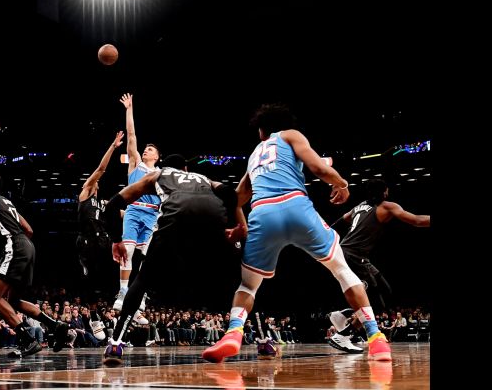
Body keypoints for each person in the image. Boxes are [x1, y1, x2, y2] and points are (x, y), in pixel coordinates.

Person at [202, 103, 392, 363]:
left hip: (262, 213)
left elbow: (237, 198)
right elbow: (319, 168)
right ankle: (375, 337)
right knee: (342, 270)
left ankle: (233, 333)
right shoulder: (290, 134)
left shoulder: (255, 153)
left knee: (247, 285)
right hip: (295, 206)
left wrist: (239, 226)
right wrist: (341, 184)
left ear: (261, 130)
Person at [100, 154, 246, 365]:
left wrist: (116, 240)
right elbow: (231, 195)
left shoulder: (157, 175)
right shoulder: (203, 178)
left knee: (142, 279)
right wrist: (234, 228)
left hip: (177, 214)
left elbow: (113, 205)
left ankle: (116, 342)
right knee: (242, 280)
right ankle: (250, 335)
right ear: (185, 168)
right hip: (214, 216)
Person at [0, 171, 69, 358]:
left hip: (16, 246)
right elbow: (29, 229)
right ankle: (55, 324)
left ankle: (28, 339)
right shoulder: (6, 202)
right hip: (28, 246)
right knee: (13, 301)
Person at [326, 179, 430, 353]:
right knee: (375, 302)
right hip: (353, 255)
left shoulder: (359, 207)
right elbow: (417, 220)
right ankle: (343, 335)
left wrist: (326, 238)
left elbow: (338, 223)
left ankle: (343, 314)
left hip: (349, 253)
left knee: (385, 290)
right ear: (385, 192)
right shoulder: (387, 206)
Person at [114, 93, 160, 311]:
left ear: (157, 156)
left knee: (145, 258)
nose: (145, 150)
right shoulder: (136, 164)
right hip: (134, 211)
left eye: (150, 149)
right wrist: (129, 109)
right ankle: (123, 291)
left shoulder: (162, 173)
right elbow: (131, 135)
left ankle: (139, 294)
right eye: (146, 148)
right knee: (128, 252)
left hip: (152, 215)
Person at [77, 131, 124, 289]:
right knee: (88, 278)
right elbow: (101, 169)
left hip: (102, 239)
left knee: (108, 272)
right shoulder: (86, 192)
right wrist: (113, 146)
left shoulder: (103, 203)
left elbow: (123, 213)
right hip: (87, 239)